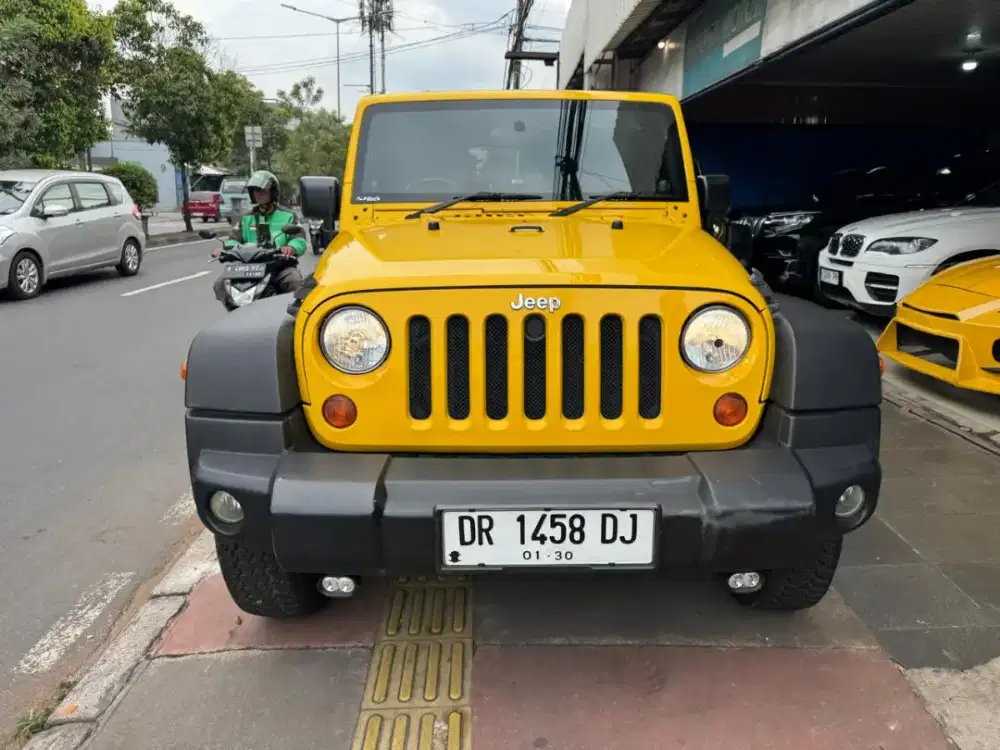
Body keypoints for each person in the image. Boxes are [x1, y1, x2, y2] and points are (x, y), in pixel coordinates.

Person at [211, 170, 307, 302]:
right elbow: (233, 240)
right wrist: (224, 250)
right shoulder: (246, 218)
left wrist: (291, 247)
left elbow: (299, 239)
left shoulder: (288, 216)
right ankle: (234, 315)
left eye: (262, 191)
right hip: (250, 267)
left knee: (296, 283)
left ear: (272, 192)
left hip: (280, 266)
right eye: (254, 191)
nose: (257, 194)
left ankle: (295, 319)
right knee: (220, 284)